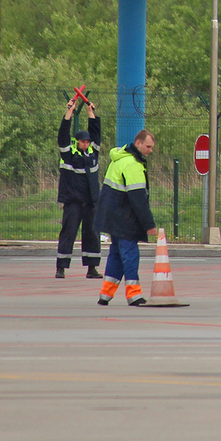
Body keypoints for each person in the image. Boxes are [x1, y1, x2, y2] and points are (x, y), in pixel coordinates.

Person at [95, 129, 157, 306]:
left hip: (111, 215)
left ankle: (106, 294)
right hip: (124, 217)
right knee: (130, 254)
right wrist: (148, 224)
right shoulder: (133, 164)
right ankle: (134, 294)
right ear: (138, 143)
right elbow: (138, 199)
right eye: (148, 147)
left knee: (116, 253)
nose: (150, 151)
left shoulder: (119, 159)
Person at [55, 95, 103, 279]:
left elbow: (96, 132)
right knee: (68, 233)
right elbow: (62, 135)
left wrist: (91, 112)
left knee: (92, 234)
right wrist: (70, 111)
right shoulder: (69, 154)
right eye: (83, 141)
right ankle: (61, 267)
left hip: (91, 202)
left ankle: (92, 268)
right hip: (73, 202)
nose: (86, 143)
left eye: (88, 141)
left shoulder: (93, 154)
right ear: (77, 141)